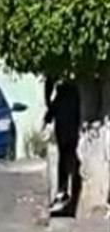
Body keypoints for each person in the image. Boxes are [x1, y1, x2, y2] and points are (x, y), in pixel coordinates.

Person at [45, 76, 82, 214]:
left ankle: (63, 189)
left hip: (65, 132)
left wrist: (48, 114)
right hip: (72, 131)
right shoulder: (74, 94)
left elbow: (50, 112)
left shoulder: (62, 95)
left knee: (64, 160)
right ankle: (64, 190)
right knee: (69, 160)